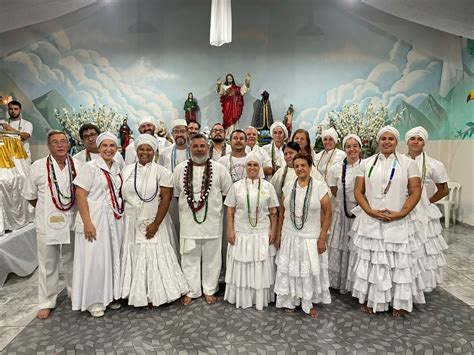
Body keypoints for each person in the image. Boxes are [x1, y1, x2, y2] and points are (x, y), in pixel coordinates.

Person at [348, 126, 424, 317]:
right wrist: (369, 211)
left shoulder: (408, 163)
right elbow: (358, 191)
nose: (387, 142)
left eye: (391, 139)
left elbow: (416, 191)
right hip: (371, 221)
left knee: (397, 263)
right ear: (378, 141)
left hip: (398, 221)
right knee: (372, 261)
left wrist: (401, 213)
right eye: (383, 139)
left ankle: (397, 301)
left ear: (396, 142)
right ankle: (371, 298)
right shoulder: (366, 163)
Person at [120, 134, 188, 308]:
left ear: (154, 152)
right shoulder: (126, 171)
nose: (144, 152)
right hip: (131, 222)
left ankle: (156, 293)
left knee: (154, 255)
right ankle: (133, 293)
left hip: (154, 220)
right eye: (141, 149)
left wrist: (156, 224)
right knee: (133, 254)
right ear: (136, 151)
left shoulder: (162, 172)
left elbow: (166, 199)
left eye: (148, 149)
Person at [22, 130, 82, 319]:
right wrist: (49, 211)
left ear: (68, 144)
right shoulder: (37, 167)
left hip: (72, 221)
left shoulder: (78, 165)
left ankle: (76, 295)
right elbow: (31, 197)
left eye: (63, 141)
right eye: (55, 142)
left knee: (73, 260)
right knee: (48, 263)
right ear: (49, 146)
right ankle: (47, 301)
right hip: (47, 224)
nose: (60, 145)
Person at [173, 133, 233, 305]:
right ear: (190, 148)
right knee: (189, 257)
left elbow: (226, 195)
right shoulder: (180, 169)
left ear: (208, 148)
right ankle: (192, 290)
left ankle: (209, 289)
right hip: (188, 222)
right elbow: (178, 195)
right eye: (195, 146)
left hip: (212, 222)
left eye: (202, 146)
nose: (199, 150)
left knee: (212, 257)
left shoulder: (220, 169)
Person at [72, 132, 124, 317]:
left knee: (110, 257)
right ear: (99, 148)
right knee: (95, 260)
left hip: (112, 218)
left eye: (112, 146)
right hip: (94, 218)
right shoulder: (90, 167)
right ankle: (94, 301)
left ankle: (109, 296)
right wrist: (87, 223)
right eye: (105, 146)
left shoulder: (117, 166)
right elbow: (80, 194)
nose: (108, 149)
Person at [274, 153, 332, 318]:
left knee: (307, 271)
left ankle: (307, 303)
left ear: (310, 167)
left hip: (310, 237)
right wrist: (279, 235)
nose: (300, 168)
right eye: (297, 165)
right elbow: (282, 212)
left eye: (303, 165)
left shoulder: (320, 187)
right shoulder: (288, 186)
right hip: (289, 235)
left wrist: (322, 238)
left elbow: (328, 213)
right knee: (290, 270)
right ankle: (289, 301)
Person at [224, 152, 279, 310]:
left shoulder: (268, 186)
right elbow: (230, 210)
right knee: (242, 264)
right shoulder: (236, 186)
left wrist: (274, 231)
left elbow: (274, 211)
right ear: (245, 167)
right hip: (241, 233)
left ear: (260, 167)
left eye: (255, 165)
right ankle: (242, 297)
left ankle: (260, 298)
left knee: (260, 265)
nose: (252, 168)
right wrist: (230, 230)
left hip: (262, 233)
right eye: (249, 165)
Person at [405, 126, 449, 292]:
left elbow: (444, 189)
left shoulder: (434, 164)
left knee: (424, 248)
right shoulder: (399, 161)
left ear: (424, 142)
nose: (416, 142)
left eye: (420, 139)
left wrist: (428, 202)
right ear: (407, 141)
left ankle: (421, 284)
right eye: (413, 139)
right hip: (404, 211)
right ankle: (405, 282)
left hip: (425, 212)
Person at [326, 134, 362, 294]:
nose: (352, 149)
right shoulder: (335, 169)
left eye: (355, 146)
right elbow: (334, 190)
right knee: (339, 247)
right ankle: (338, 282)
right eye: (348, 146)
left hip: (361, 215)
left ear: (360, 148)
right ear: (344, 148)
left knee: (356, 249)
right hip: (342, 214)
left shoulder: (367, 166)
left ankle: (356, 283)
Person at [159, 119, 190, 251]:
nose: (179, 134)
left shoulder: (194, 149)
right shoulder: (164, 152)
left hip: (189, 195)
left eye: (182, 131)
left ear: (187, 133)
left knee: (188, 226)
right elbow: (159, 173)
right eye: (176, 131)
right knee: (174, 225)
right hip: (170, 196)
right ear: (172, 134)